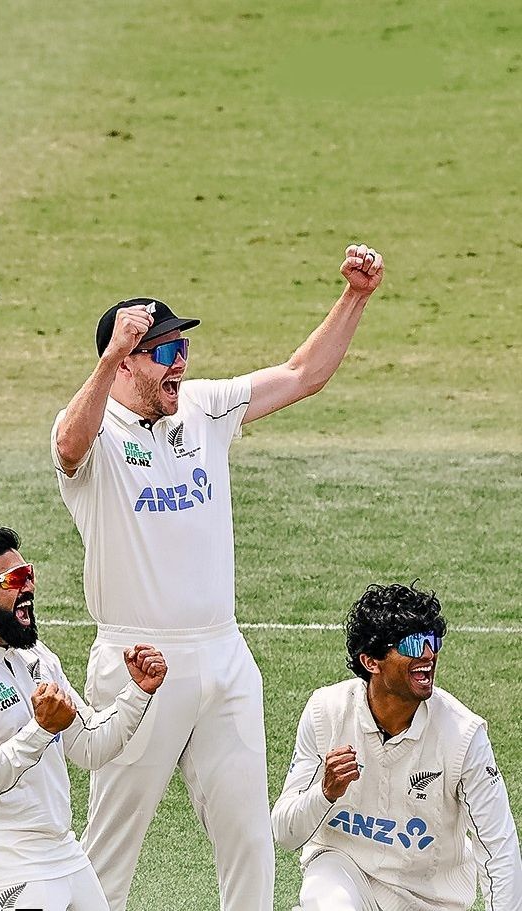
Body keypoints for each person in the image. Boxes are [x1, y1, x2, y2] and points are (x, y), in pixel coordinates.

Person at [51, 244, 385, 910]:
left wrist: (355, 296)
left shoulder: (202, 408)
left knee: (249, 844)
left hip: (224, 656)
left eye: (181, 346)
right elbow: (66, 445)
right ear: (123, 362)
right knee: (110, 849)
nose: (180, 360)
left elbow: (300, 374)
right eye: (161, 349)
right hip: (137, 662)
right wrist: (107, 357)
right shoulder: (97, 431)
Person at [0, 527, 168, 911]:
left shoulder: (34, 656)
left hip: (61, 849)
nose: (27, 588)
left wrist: (137, 693)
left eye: (28, 574)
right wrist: (40, 730)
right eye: (13, 580)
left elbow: (91, 746)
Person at [272, 583, 522, 911]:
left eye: (433, 641)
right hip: (344, 876)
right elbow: (285, 833)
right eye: (414, 643)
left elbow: (498, 849)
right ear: (371, 661)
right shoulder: (326, 711)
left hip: (430, 900)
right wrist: (325, 793)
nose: (429, 654)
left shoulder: (463, 735)